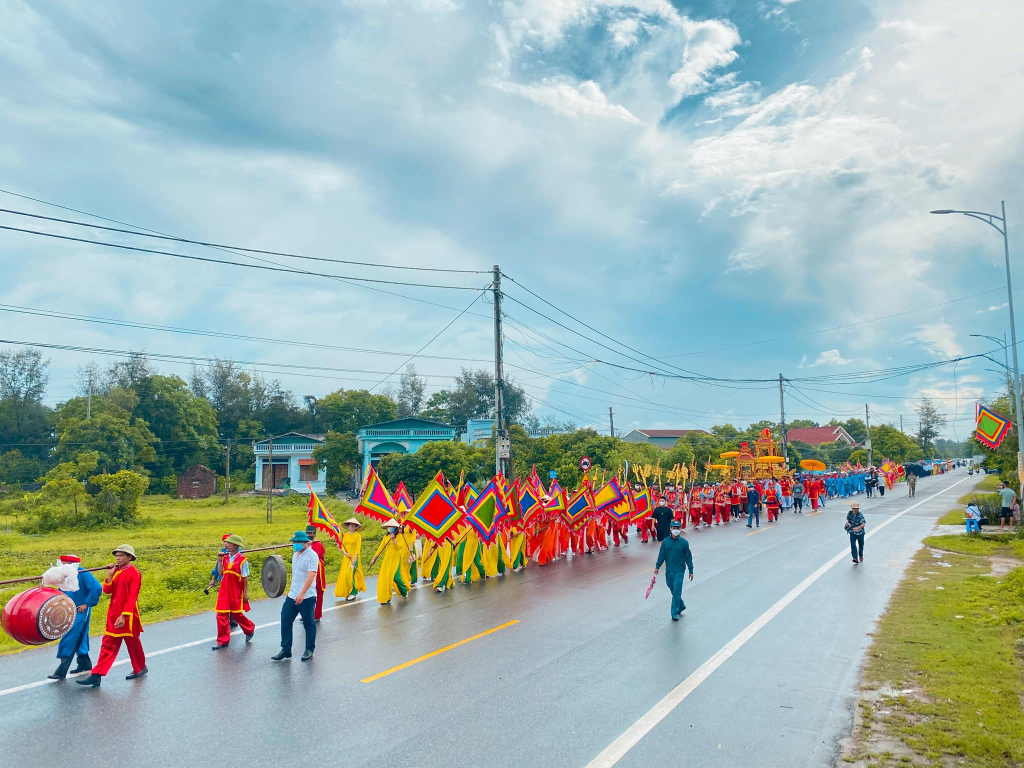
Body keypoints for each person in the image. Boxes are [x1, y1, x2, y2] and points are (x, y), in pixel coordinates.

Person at [77, 544, 146, 687]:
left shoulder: (134, 573)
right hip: (114, 613)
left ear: (129, 557)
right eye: (116, 555)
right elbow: (107, 590)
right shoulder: (117, 571)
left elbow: (132, 597)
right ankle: (97, 675)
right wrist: (110, 574)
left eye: (121, 555)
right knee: (110, 643)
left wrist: (124, 616)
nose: (118, 558)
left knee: (129, 643)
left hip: (128, 615)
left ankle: (139, 667)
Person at [49, 554, 102, 680]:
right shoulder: (66, 575)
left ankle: (62, 670)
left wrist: (87, 603)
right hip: (69, 610)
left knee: (71, 636)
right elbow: (62, 590)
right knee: (80, 636)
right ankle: (84, 663)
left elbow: (97, 587)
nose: (62, 566)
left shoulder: (82, 573)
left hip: (80, 610)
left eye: (65, 563)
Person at [272, 531, 319, 662]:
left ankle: (309, 649)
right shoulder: (295, 555)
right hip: (292, 594)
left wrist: (302, 593)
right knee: (285, 619)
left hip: (307, 596)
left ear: (305, 542)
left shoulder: (312, 556)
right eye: (294, 542)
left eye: (298, 542)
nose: (295, 544)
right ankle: (286, 649)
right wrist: (279, 561)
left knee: (309, 623)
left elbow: (311, 575)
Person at [211, 534, 255, 650]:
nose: (227, 545)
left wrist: (245, 593)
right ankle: (223, 641)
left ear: (236, 545)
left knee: (236, 614)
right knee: (221, 615)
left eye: (229, 543)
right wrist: (219, 561)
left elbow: (245, 578)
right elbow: (221, 573)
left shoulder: (242, 560)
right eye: (226, 543)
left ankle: (249, 628)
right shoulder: (225, 557)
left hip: (235, 591)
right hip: (224, 590)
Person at [653, 520, 694, 621]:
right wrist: (657, 566)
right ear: (670, 529)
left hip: (679, 571)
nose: (676, 530)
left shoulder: (684, 543)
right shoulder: (666, 542)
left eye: (677, 528)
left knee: (676, 591)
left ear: (680, 529)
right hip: (669, 571)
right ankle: (681, 605)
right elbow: (661, 555)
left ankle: (674, 612)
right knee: (672, 589)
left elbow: (688, 557)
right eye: (674, 528)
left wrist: (691, 570)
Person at [334, 518, 366, 601]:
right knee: (345, 575)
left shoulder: (358, 536)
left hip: (354, 558)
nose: (352, 526)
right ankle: (348, 591)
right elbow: (342, 546)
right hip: (346, 558)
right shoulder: (346, 535)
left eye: (353, 525)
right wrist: (345, 553)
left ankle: (353, 593)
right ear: (348, 526)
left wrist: (354, 559)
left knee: (350, 574)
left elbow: (358, 549)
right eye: (350, 524)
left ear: (356, 526)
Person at [305, 525, 327, 622]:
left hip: (317, 571)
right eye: (307, 533)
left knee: (317, 592)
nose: (308, 535)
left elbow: (315, 557)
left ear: (314, 534)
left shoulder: (318, 544)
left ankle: (316, 615)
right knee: (307, 592)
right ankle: (306, 614)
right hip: (307, 571)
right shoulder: (305, 544)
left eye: (310, 533)